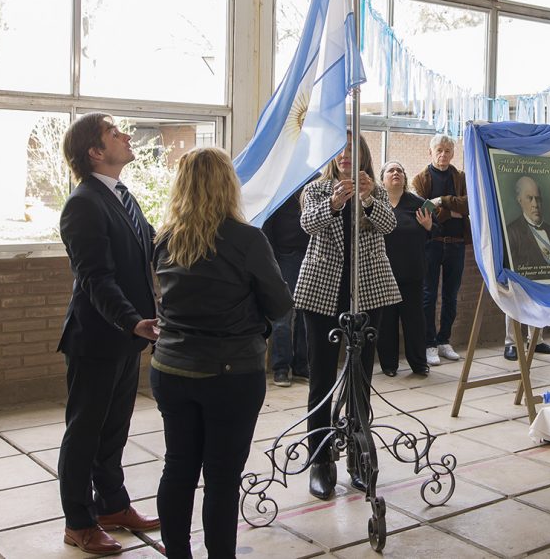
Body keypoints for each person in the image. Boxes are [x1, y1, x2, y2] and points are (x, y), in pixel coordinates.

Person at [151, 148, 293, 559]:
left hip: (171, 367)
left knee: (177, 467)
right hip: (231, 374)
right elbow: (280, 305)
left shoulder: (164, 239)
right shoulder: (247, 239)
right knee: (222, 479)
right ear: (229, 185)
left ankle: (177, 553)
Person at [57, 113, 161, 555]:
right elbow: (96, 277)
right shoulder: (83, 203)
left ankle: (112, 505)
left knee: (114, 429)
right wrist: (131, 320)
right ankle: (78, 521)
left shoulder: (121, 195)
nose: (125, 135)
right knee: (85, 432)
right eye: (113, 132)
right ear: (95, 152)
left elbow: (150, 249)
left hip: (125, 336)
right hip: (98, 338)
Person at [294, 133, 401, 500]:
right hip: (322, 291)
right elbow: (307, 224)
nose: (344, 155)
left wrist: (368, 198)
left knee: (360, 380)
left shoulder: (378, 192)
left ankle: (358, 455)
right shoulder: (316, 190)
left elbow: (389, 226)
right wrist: (335, 205)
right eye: (339, 149)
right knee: (320, 379)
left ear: (363, 155)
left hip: (368, 292)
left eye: (352, 149)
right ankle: (321, 461)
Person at [412, 134, 469, 366]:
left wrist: (442, 201)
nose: (443, 154)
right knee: (428, 295)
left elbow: (468, 204)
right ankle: (429, 344)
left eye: (447, 150)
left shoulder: (461, 177)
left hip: (456, 243)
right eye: (439, 150)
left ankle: (444, 340)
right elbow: (423, 212)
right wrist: (452, 209)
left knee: (450, 296)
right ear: (430, 152)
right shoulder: (419, 180)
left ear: (453, 154)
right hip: (431, 244)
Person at [378, 161, 432, 377]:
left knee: (414, 321)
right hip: (383, 274)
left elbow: (434, 229)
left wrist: (429, 226)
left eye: (399, 170)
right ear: (382, 179)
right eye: (390, 170)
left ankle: (419, 364)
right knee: (386, 322)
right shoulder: (375, 204)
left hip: (412, 272)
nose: (395, 173)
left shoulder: (419, 203)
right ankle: (388, 365)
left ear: (405, 177)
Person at [262, 189, 311, 387]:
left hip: (311, 256)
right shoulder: (282, 186)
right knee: (283, 316)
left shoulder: (314, 182)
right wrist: (271, 259)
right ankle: (281, 368)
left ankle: (301, 367)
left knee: (306, 315)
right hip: (285, 257)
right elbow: (268, 226)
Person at [505, 176, 550, 274]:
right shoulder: (511, 234)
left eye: (538, 199)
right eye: (529, 198)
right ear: (520, 200)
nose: (535, 204)